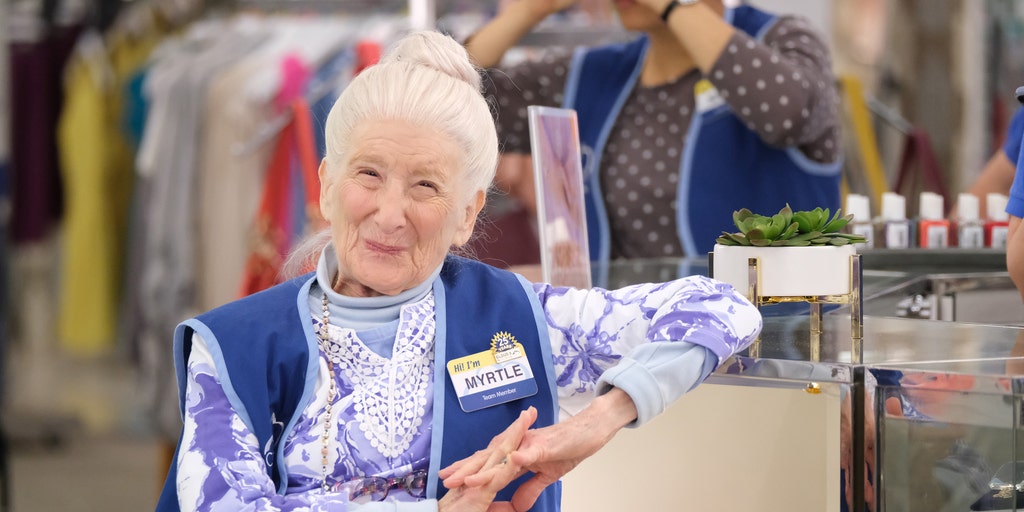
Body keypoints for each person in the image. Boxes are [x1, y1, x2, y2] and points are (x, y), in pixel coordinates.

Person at [155, 30, 762, 511]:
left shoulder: (522, 317)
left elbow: (724, 307)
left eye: (426, 186)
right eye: (368, 174)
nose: (390, 215)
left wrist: (604, 417)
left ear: (468, 213)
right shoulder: (234, 346)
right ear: (326, 186)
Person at [465, 0, 842, 265]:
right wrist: (531, 10)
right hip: (638, 345)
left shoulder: (781, 39)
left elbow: (788, 112)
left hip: (775, 345)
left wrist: (678, 6)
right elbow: (450, 98)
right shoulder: (597, 73)